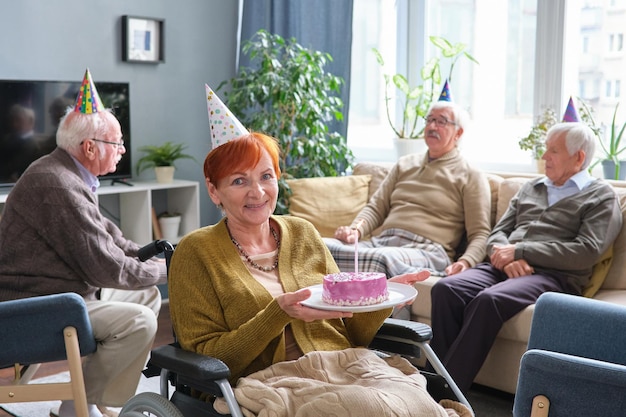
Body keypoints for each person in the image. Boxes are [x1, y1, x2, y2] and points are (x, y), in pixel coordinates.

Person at [167, 86, 471, 416]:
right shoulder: (195, 252)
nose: (257, 192)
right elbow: (207, 358)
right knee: (373, 408)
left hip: (346, 366)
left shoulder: (303, 233)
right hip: (269, 381)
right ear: (215, 191)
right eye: (239, 181)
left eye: (266, 176)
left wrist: (380, 297)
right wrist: (278, 312)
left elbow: (351, 331)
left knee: (416, 403)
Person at [0, 69, 167, 417]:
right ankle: (76, 405)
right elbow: (105, 266)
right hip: (37, 307)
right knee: (139, 321)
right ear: (89, 147)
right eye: (117, 142)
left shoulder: (68, 175)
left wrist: (151, 257)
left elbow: (112, 238)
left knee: (146, 293)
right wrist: (170, 270)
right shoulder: (59, 185)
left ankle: (89, 391)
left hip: (62, 294)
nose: (123, 150)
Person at [429, 121, 623, 393]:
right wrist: (507, 256)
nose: (544, 157)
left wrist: (521, 251)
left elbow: (585, 251)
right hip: (502, 264)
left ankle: (443, 395)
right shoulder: (532, 187)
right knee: (446, 289)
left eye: (553, 151)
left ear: (578, 157)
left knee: (489, 300)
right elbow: (498, 232)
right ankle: (440, 381)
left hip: (553, 276)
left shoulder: (601, 196)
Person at [324, 85, 491, 285]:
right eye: (429, 120)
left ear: (458, 132)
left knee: (380, 260)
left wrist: (466, 261)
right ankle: (325, 314)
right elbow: (376, 208)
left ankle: (370, 317)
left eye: (441, 122)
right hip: (383, 242)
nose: (432, 126)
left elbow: (480, 233)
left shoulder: (471, 175)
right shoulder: (405, 163)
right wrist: (355, 231)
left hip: (428, 251)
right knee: (320, 247)